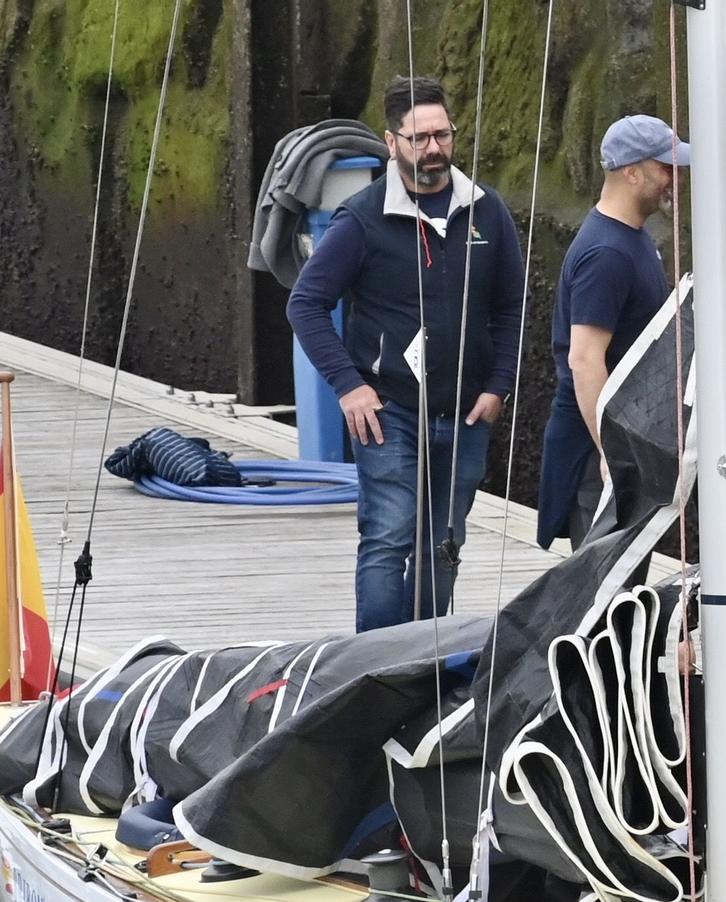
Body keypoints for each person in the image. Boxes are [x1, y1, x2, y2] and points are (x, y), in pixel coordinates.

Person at [287, 75, 525, 631]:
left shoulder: (487, 212)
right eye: (418, 139)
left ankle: (426, 662)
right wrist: (348, 386)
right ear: (390, 142)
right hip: (389, 409)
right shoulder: (361, 220)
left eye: (442, 135)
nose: (434, 149)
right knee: (389, 536)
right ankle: (369, 668)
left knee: (444, 542)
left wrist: (500, 384)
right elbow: (306, 304)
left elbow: (512, 305)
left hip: (466, 411)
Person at [537, 114, 690, 550]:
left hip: (625, 440)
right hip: (596, 453)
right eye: (667, 168)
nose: (675, 179)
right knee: (600, 595)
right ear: (632, 172)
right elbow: (584, 360)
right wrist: (610, 451)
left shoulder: (633, 238)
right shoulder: (606, 252)